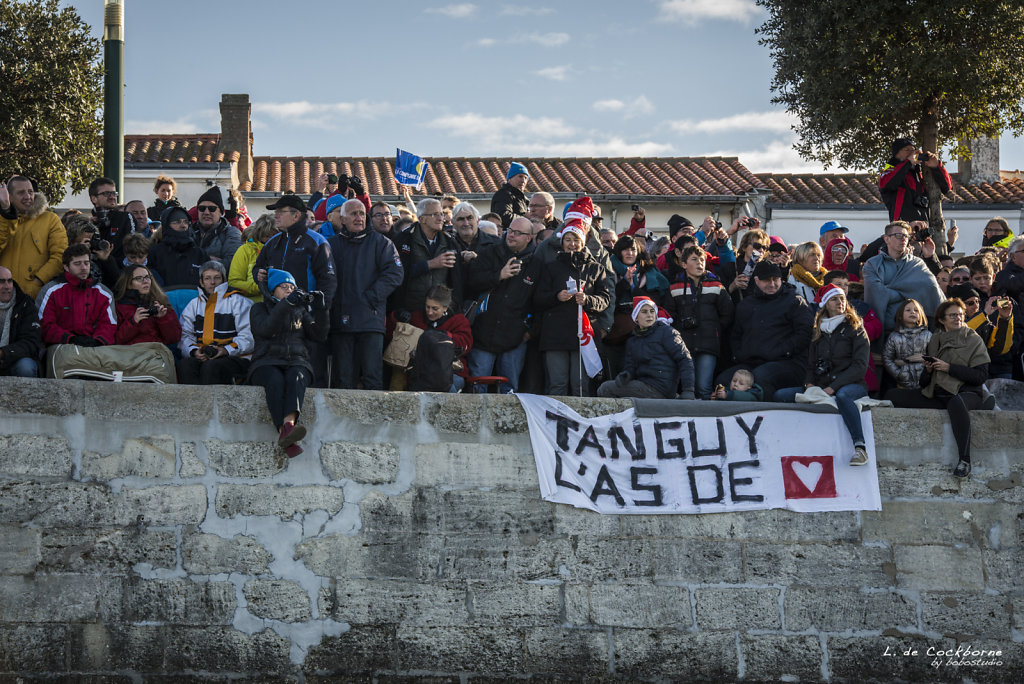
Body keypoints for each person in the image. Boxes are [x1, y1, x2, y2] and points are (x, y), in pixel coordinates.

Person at [885, 298, 993, 478]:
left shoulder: (973, 339)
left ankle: (964, 460)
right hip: (938, 394)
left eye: (960, 314)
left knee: (957, 403)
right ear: (942, 320)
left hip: (966, 393)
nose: (958, 318)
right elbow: (924, 383)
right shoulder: (936, 339)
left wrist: (949, 368)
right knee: (892, 395)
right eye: (953, 315)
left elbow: (980, 376)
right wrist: (928, 371)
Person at [773, 284, 871, 466]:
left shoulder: (856, 328)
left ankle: (860, 447)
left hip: (851, 385)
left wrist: (833, 387)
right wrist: (809, 384)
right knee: (780, 395)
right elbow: (810, 365)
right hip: (822, 385)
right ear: (825, 304)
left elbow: (860, 366)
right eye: (834, 299)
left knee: (843, 396)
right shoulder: (818, 332)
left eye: (842, 298)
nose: (840, 302)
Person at [247, 269, 328, 458]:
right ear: (272, 290)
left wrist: (322, 310)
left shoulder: (299, 311)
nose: (289, 290)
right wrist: (285, 305)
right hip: (265, 361)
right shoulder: (258, 309)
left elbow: (319, 335)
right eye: (284, 287)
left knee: (296, 377)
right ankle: (286, 431)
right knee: (275, 380)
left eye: (292, 287)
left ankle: (288, 427)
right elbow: (265, 329)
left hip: (297, 361)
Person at [327, 197, 403, 390]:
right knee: (343, 379)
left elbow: (395, 273)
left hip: (371, 320)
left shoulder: (382, 243)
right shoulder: (331, 245)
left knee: (372, 377)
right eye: (353, 214)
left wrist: (371, 298)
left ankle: (373, 421)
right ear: (342, 219)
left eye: (362, 213)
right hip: (340, 322)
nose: (359, 217)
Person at [533, 221, 611, 396]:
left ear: (583, 243)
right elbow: (537, 298)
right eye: (568, 239)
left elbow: (605, 299)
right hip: (555, 335)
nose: (572, 244)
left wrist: (588, 300)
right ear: (562, 242)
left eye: (576, 240)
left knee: (580, 385)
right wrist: (556, 297)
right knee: (557, 385)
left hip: (583, 335)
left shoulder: (596, 269)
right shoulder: (550, 267)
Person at [717, 260, 814, 400]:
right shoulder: (746, 305)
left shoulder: (795, 301)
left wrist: (782, 350)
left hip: (789, 362)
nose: (772, 284)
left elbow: (805, 333)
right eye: (766, 280)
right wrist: (740, 354)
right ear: (756, 280)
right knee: (724, 380)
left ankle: (762, 418)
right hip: (751, 362)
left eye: (775, 279)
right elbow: (736, 335)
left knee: (761, 378)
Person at [465, 216, 538, 393]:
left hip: (515, 337)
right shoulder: (490, 252)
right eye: (510, 231)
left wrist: (530, 330)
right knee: (477, 387)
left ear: (529, 238)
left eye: (518, 233)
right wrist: (499, 275)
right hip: (483, 332)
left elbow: (539, 302)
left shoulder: (536, 263)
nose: (511, 235)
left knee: (509, 391)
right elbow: (472, 282)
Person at [667, 245, 735, 400]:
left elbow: (728, 313)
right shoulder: (674, 287)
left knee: (703, 388)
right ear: (683, 264)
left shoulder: (717, 286)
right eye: (694, 259)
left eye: (702, 259)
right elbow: (669, 317)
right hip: (683, 346)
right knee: (686, 389)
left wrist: (714, 330)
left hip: (708, 345)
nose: (700, 263)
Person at [596, 297, 695, 399]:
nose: (649, 315)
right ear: (636, 317)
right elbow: (631, 366)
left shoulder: (667, 332)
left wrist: (688, 390)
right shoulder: (633, 340)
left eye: (652, 311)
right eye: (644, 312)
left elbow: (685, 359)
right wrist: (627, 374)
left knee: (605, 388)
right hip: (644, 385)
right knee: (620, 396)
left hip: (661, 387)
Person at [863, 221, 945, 336]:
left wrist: (890, 289)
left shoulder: (917, 263)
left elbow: (932, 288)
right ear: (887, 239)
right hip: (886, 331)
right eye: (898, 235)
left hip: (916, 333)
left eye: (906, 236)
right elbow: (877, 294)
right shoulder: (873, 264)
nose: (903, 239)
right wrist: (911, 292)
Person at [178, 261, 254, 385]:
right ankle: (191, 404)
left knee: (212, 367)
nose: (212, 282)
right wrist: (194, 351)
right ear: (201, 282)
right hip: (204, 355)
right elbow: (185, 335)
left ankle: (212, 404)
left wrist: (226, 350)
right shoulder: (193, 304)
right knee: (186, 364)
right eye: (207, 278)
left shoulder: (239, 302)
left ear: (224, 280)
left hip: (235, 357)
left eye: (217, 278)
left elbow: (249, 337)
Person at [37, 243, 117, 348]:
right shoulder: (51, 291)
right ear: (66, 267)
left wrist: (97, 341)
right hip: (61, 345)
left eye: (86, 263)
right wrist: (70, 339)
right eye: (77, 264)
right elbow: (45, 325)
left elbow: (109, 324)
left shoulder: (104, 293)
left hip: (96, 347)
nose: (83, 268)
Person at [0, 176, 68, 299]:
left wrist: (38, 281)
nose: (28, 197)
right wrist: (6, 214)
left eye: (30, 192)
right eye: (21, 193)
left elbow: (60, 255)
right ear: (9, 196)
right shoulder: (3, 220)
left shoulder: (50, 219)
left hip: (35, 297)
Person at [391, 197, 463, 313]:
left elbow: (457, 280)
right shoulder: (404, 239)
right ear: (422, 219)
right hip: (411, 311)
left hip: (442, 312)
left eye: (441, 214)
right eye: (435, 215)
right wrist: (429, 264)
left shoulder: (450, 241)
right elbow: (398, 273)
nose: (441, 219)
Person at [406, 285, 473, 393]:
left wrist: (446, 337)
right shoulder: (417, 317)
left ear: (445, 308)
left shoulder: (458, 321)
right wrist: (396, 317)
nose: (430, 312)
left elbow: (466, 345)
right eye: (427, 307)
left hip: (451, 371)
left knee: (449, 387)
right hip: (421, 373)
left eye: (435, 308)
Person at [879, 138, 952, 224]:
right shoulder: (890, 170)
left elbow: (947, 187)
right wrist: (908, 162)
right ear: (896, 153)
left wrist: (937, 166)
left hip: (924, 227)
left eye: (913, 150)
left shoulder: (919, 173)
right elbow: (887, 184)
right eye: (907, 150)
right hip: (902, 229)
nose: (911, 153)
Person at [112, 265, 182, 346]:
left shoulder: (161, 302)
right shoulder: (119, 306)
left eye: (147, 277)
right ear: (128, 283)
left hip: (155, 352)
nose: (145, 281)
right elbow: (115, 341)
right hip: (129, 354)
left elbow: (174, 339)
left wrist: (163, 318)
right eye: (139, 278)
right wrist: (133, 321)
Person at [148, 206, 208, 290]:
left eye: (186, 222)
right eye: (177, 222)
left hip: (195, 301)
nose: (183, 225)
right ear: (167, 225)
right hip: (164, 301)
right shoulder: (155, 252)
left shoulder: (199, 254)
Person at [0, 265, 43, 377]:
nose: (7, 286)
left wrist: (3, 353)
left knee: (26, 367)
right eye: (2, 282)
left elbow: (31, 343)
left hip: (14, 360)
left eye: (10, 281)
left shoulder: (25, 305)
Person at [883, 299, 932, 390]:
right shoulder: (894, 336)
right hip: (902, 384)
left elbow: (934, 356)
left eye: (916, 310)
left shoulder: (928, 335)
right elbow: (887, 358)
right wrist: (898, 374)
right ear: (900, 316)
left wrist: (927, 371)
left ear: (921, 315)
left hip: (925, 384)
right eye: (908, 310)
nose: (912, 312)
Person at [192, 187, 241, 270]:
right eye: (202, 208)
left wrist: (199, 260)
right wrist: (211, 259)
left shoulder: (231, 232)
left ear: (221, 212)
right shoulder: (188, 231)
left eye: (212, 209)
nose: (206, 212)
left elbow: (233, 263)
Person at [228, 215, 276, 303]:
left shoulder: (285, 250)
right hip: (251, 306)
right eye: (267, 235)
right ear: (259, 234)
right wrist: (260, 287)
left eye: (275, 235)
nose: (271, 239)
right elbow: (234, 283)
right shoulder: (245, 250)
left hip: (280, 306)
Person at [489, 161, 530, 229]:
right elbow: (503, 217)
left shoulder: (524, 199)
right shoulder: (503, 195)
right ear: (510, 179)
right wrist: (525, 218)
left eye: (526, 178)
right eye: (520, 176)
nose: (523, 181)